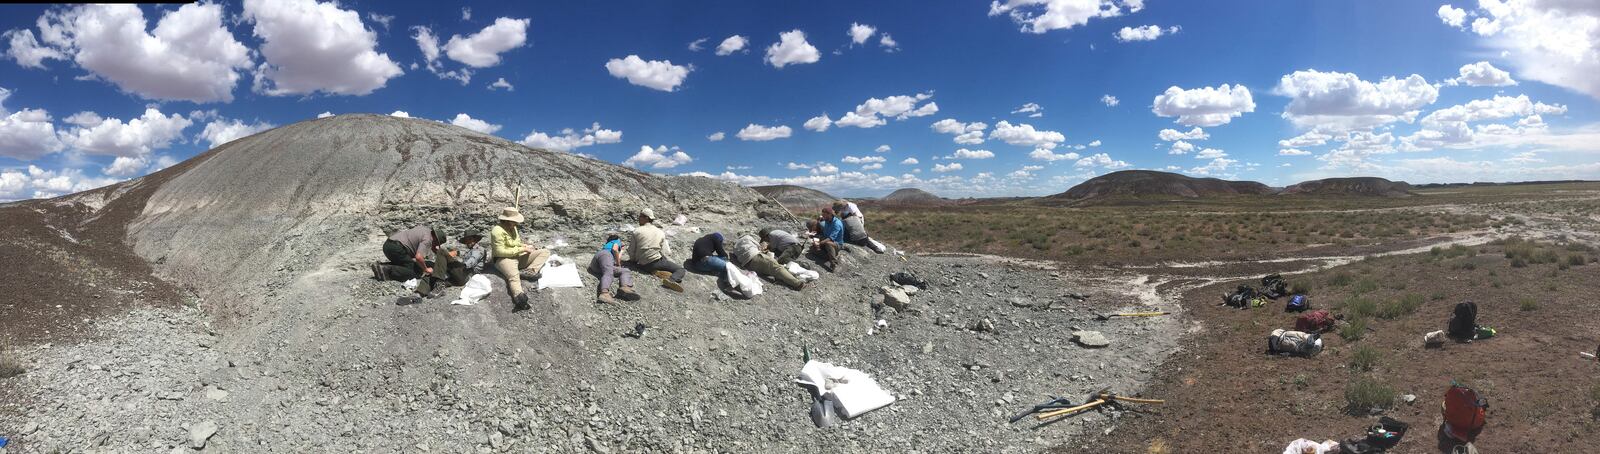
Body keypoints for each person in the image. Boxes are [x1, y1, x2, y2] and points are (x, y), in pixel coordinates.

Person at [491, 207, 551, 312]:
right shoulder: (497, 231)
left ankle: (530, 271)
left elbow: (517, 243)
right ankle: (519, 297)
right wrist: (522, 249)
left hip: (517, 256)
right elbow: (500, 251)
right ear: (508, 220)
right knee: (514, 276)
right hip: (503, 259)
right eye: (515, 222)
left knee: (544, 252)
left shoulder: (513, 228)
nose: (516, 224)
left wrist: (526, 246)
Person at [373, 225, 446, 305]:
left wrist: (436, 252)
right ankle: (386, 271)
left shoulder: (425, 230)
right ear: (435, 238)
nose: (435, 245)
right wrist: (426, 269)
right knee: (413, 272)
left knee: (405, 262)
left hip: (388, 245)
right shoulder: (428, 240)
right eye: (437, 243)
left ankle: (381, 265)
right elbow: (418, 257)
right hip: (396, 248)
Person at [627, 208, 685, 292]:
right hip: (655, 262)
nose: (638, 218)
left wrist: (633, 261)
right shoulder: (660, 232)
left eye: (640, 216)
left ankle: (656, 271)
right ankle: (671, 280)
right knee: (681, 269)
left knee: (657, 262)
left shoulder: (637, 231)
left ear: (646, 218)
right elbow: (666, 251)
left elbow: (631, 250)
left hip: (641, 264)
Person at [729, 233, 805, 290]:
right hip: (755, 258)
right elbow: (759, 248)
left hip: (749, 266)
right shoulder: (748, 237)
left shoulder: (735, 247)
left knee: (772, 269)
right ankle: (797, 284)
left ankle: (782, 278)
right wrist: (765, 251)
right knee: (777, 267)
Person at [589, 235, 638, 304]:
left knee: (625, 271)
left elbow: (616, 255)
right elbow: (614, 249)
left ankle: (625, 287)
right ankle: (604, 294)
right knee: (609, 273)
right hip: (605, 255)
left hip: (597, 266)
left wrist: (621, 251)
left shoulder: (608, 245)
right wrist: (618, 264)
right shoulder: (616, 241)